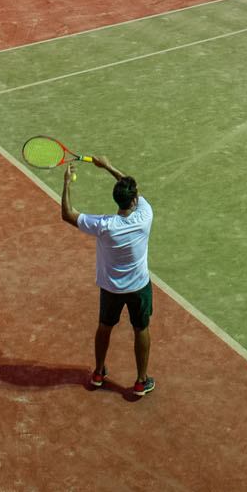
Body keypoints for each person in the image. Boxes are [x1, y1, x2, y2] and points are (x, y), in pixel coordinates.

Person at [61, 155, 154, 397]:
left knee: (105, 327)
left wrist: (67, 183)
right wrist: (108, 166)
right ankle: (141, 381)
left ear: (116, 199)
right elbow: (134, 188)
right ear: (134, 200)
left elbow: (67, 214)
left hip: (111, 289)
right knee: (141, 329)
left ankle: (99, 372)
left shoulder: (104, 225)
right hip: (139, 287)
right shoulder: (145, 215)